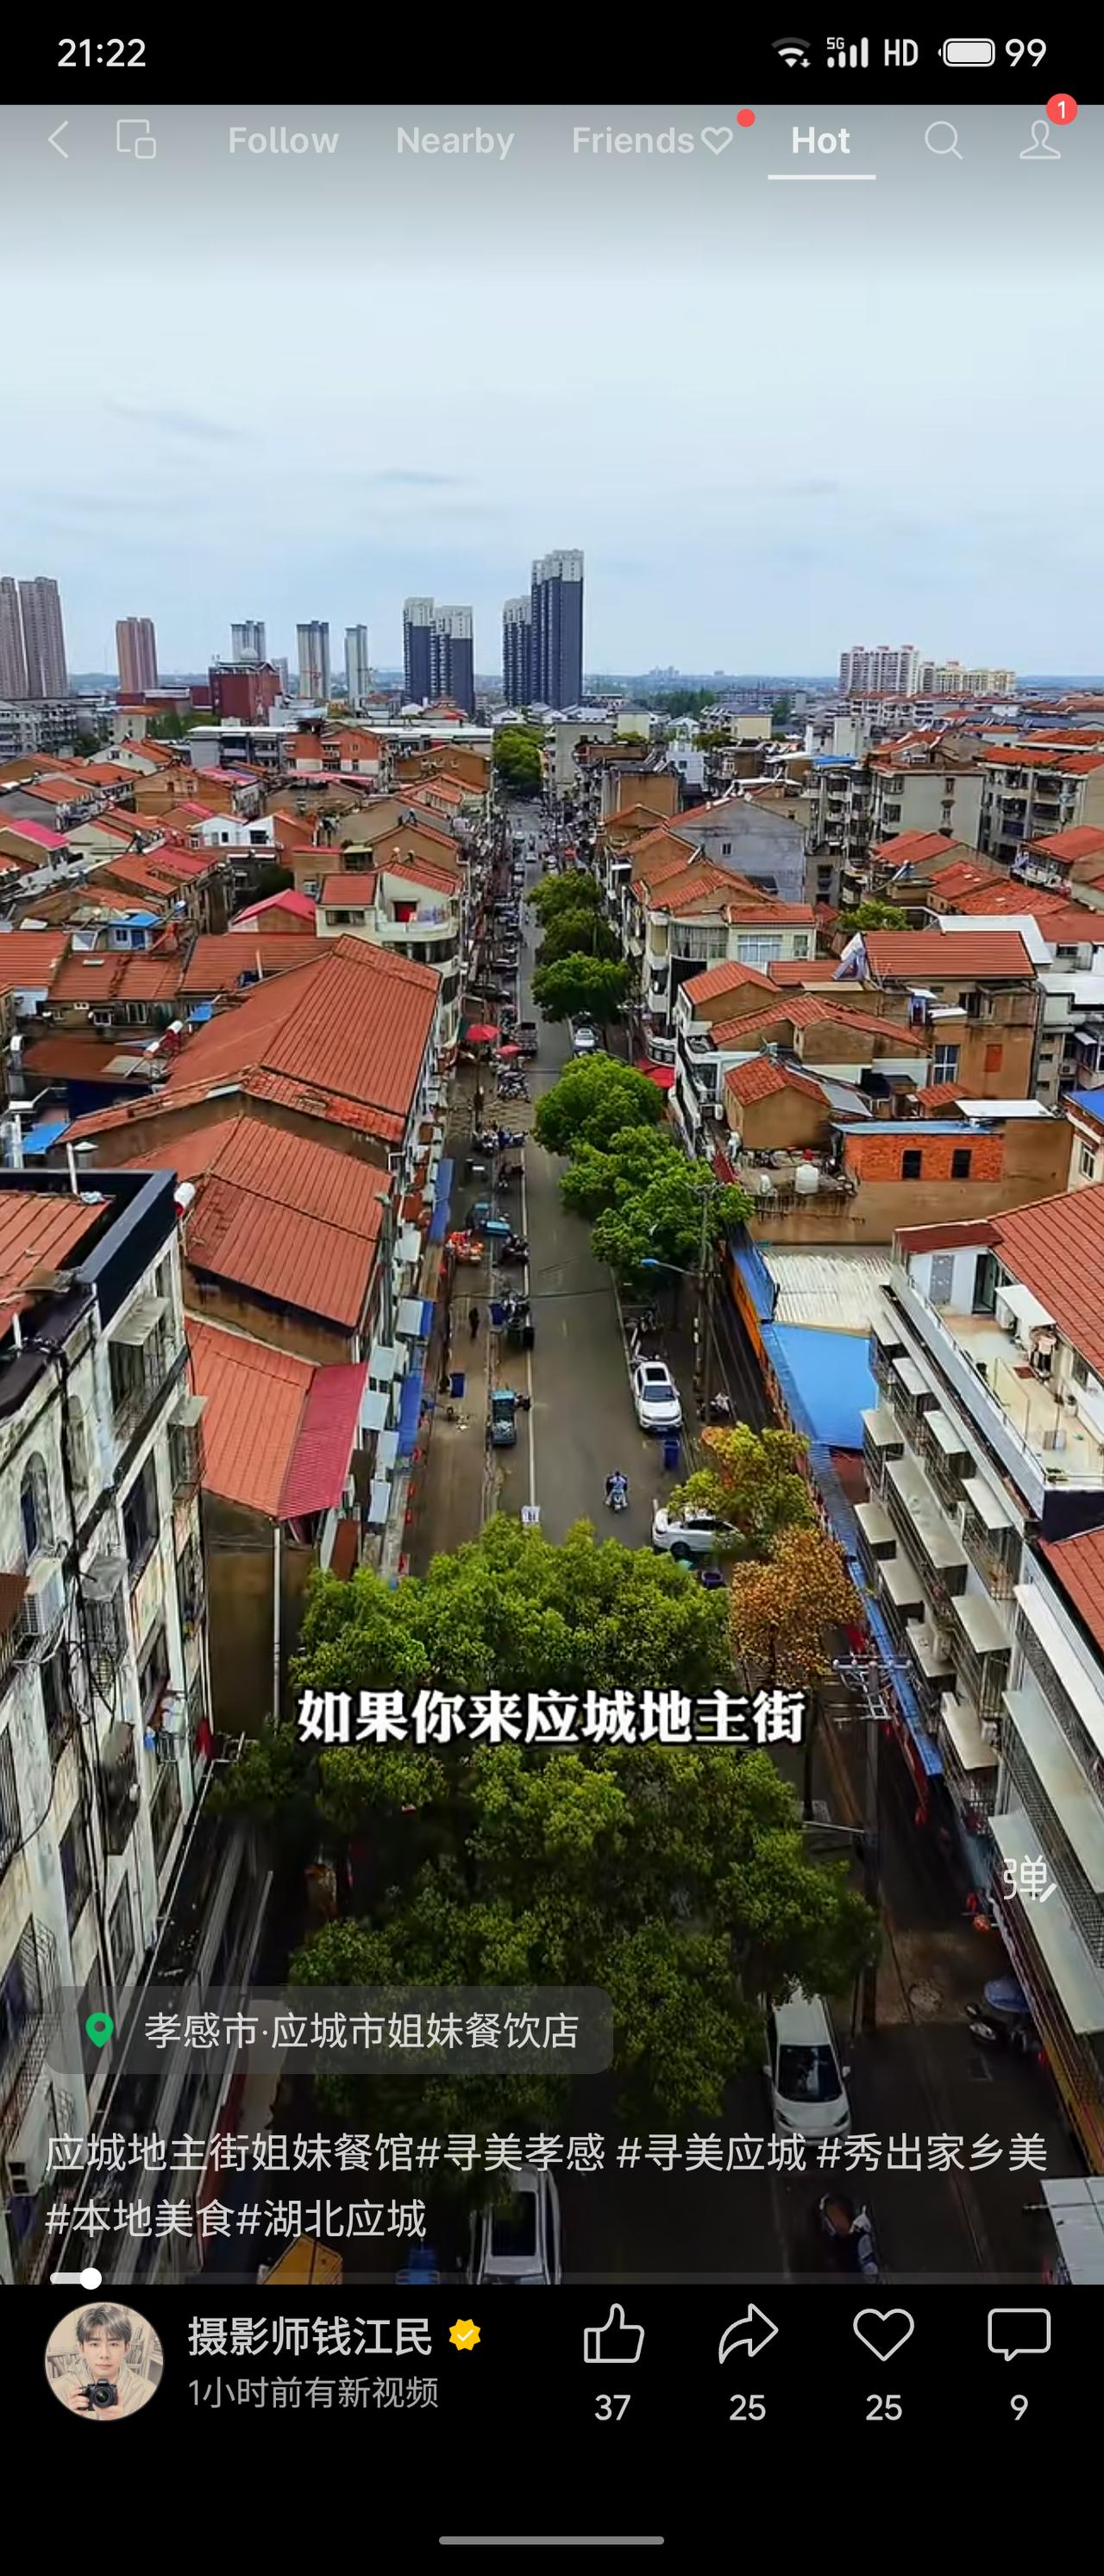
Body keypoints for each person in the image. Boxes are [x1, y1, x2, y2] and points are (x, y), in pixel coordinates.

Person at [52, 2303, 159, 2418]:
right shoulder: (59, 2390)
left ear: (126, 2348)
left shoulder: (147, 2393)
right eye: (94, 2344)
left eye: (113, 2344)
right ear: (81, 2348)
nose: (104, 2354)